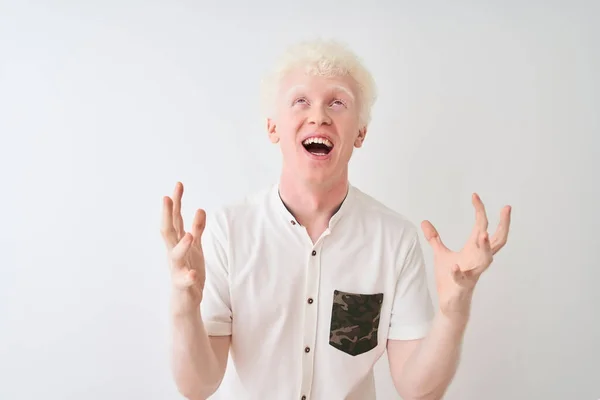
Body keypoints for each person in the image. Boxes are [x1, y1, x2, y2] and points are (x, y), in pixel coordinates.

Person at [160, 39, 512, 400]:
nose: (319, 116)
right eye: (301, 101)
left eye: (337, 103)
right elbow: (198, 386)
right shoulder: (228, 232)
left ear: (360, 133)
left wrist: (454, 312)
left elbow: (417, 390)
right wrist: (183, 305)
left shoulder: (394, 239)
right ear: (273, 128)